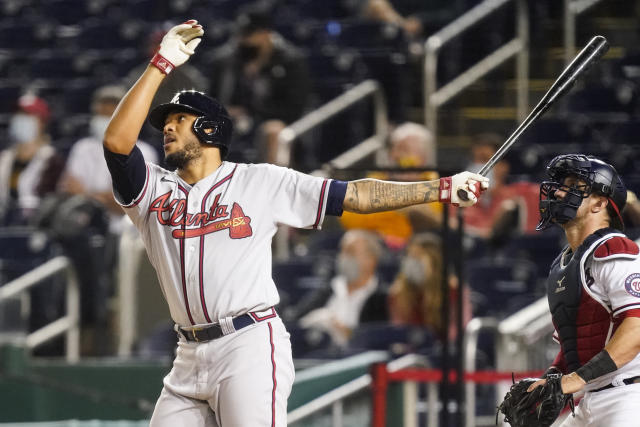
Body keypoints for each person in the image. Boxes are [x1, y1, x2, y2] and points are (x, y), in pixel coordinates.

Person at [102, 20, 488, 426]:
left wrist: (439, 189)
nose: (166, 126)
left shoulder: (260, 180)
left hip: (246, 343)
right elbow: (116, 143)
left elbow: (355, 195)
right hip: (187, 354)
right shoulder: (154, 191)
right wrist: (160, 64)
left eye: (179, 119)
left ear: (209, 129)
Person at [526, 154, 640, 425]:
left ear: (600, 203)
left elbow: (636, 330)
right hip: (591, 399)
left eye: (573, 186)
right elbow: (575, 344)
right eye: (560, 184)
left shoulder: (615, 250)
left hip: (629, 396)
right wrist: (550, 380)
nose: (560, 191)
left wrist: (572, 381)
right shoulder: (564, 263)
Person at [207, 7, 311, 164]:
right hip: (235, 121)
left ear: (266, 34)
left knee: (273, 130)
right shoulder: (227, 60)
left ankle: (273, 185)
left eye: (249, 35)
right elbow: (211, 98)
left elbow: (294, 108)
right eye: (241, 35)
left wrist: (253, 112)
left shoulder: (290, 61)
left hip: (274, 122)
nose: (244, 40)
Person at [59, 84, 159, 234]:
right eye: (101, 114)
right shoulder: (82, 148)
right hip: (83, 230)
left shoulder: (143, 152)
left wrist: (85, 195)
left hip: (128, 233)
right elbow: (68, 191)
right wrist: (105, 198)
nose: (105, 119)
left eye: (110, 114)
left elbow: (133, 206)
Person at [339, 122, 441, 250]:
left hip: (414, 247)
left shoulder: (435, 183)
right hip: (377, 244)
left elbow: (432, 219)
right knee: (354, 239)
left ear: (423, 157)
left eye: (405, 149)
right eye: (394, 149)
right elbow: (348, 217)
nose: (397, 155)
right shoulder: (377, 178)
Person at [296, 229, 388, 348]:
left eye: (350, 252)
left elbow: (380, 340)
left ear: (371, 260)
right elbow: (295, 321)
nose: (343, 257)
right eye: (342, 251)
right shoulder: (328, 289)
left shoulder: (383, 297)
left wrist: (346, 332)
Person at [388, 232, 471, 341]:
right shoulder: (397, 292)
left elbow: (461, 327)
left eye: (419, 257)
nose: (413, 262)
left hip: (444, 350)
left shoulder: (454, 290)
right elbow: (398, 329)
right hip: (410, 350)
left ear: (435, 261)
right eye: (411, 256)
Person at [0, 93, 64, 225]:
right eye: (19, 115)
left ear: (41, 122)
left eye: (27, 115)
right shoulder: (6, 157)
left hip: (36, 225)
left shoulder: (51, 159)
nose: (21, 120)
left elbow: (51, 200)